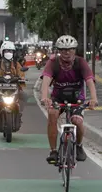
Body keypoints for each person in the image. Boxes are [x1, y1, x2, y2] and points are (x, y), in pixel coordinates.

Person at [40, 35, 98, 164]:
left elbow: (89, 81)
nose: (67, 53)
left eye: (70, 49)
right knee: (52, 114)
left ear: (75, 50)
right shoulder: (53, 63)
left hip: (77, 98)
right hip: (58, 97)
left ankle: (78, 145)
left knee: (77, 120)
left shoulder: (81, 62)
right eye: (63, 50)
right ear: (58, 51)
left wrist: (93, 98)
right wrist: (44, 97)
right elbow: (46, 81)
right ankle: (53, 151)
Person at [0, 41, 28, 118]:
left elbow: (21, 74)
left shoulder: (16, 64)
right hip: (0, 88)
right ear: (2, 52)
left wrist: (22, 78)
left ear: (13, 52)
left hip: (14, 88)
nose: (8, 53)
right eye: (6, 51)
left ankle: (19, 112)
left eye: (10, 51)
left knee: (24, 95)